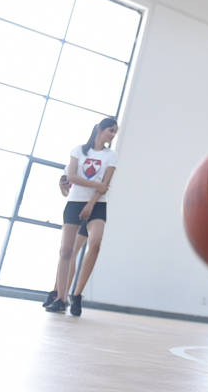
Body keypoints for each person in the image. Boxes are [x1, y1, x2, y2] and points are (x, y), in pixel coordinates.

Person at [44, 116, 119, 316]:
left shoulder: (111, 156)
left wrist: (91, 202)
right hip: (74, 204)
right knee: (68, 251)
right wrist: (93, 185)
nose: (112, 135)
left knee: (95, 244)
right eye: (110, 130)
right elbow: (71, 180)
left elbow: (104, 186)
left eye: (115, 132)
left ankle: (76, 295)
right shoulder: (78, 151)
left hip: (96, 206)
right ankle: (59, 296)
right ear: (99, 129)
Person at [41, 173, 88, 309]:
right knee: (65, 253)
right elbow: (66, 193)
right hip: (73, 210)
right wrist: (62, 187)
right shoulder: (73, 166)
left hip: (89, 211)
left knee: (71, 253)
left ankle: (62, 296)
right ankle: (57, 293)